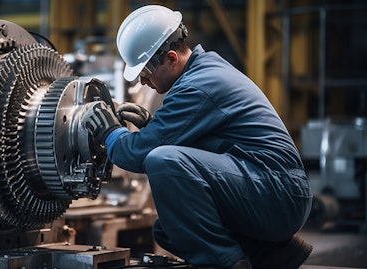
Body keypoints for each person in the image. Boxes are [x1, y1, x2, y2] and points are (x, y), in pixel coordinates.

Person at [80, 5, 313, 269]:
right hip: (269, 188)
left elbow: (137, 155)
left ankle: (225, 263)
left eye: (145, 74)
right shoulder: (203, 71)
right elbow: (209, 144)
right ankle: (272, 253)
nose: (144, 83)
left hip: (279, 194)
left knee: (162, 160)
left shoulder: (199, 86)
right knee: (169, 230)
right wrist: (153, 126)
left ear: (170, 59)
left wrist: (110, 133)